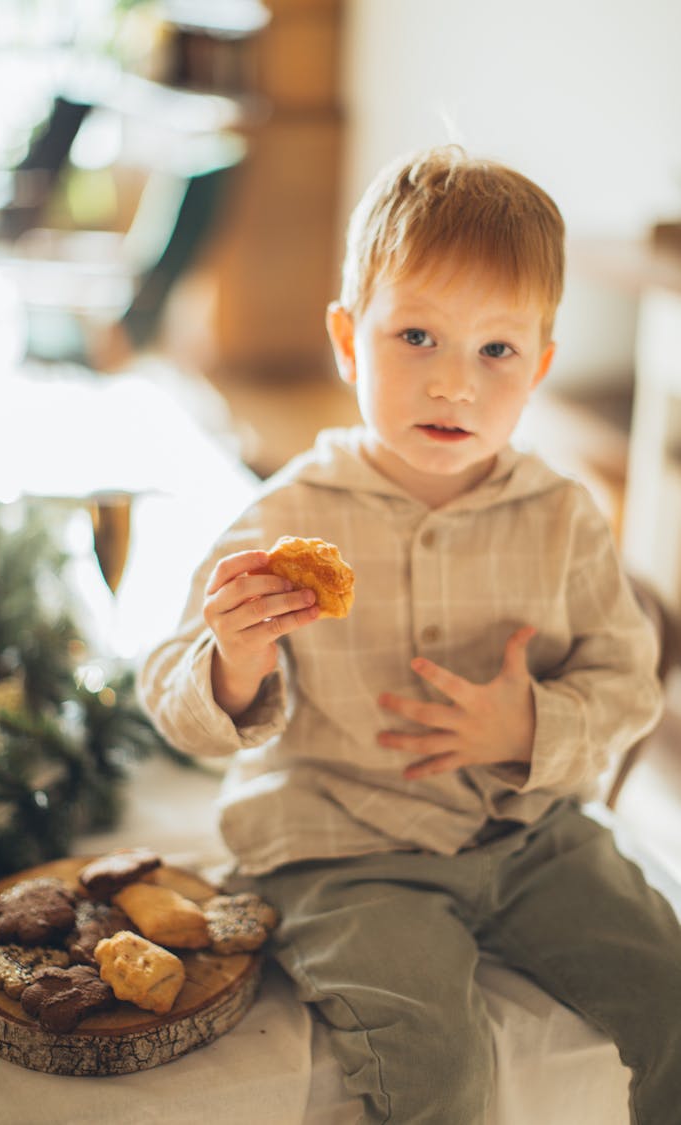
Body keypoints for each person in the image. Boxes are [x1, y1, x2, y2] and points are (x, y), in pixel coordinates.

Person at [139, 146, 681, 1124]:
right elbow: (169, 696)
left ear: (541, 365)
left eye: (497, 351)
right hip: (346, 847)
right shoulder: (282, 516)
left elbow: (630, 681)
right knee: (435, 1062)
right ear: (349, 340)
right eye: (418, 337)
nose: (455, 386)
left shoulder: (565, 518)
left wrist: (533, 728)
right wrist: (233, 664)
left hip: (531, 833)